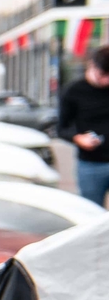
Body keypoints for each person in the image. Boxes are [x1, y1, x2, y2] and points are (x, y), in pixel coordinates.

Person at [55, 43, 109, 206]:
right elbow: (61, 128)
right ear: (92, 66)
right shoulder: (73, 91)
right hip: (92, 164)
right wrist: (78, 138)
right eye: (104, 74)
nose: (107, 79)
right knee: (91, 214)